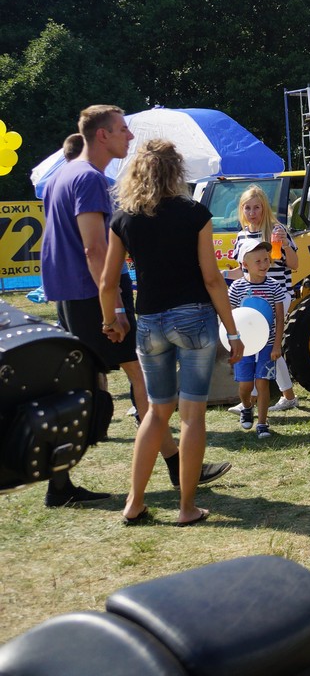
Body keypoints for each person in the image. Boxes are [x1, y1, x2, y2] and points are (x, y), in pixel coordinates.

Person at [40, 106, 230, 508]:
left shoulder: (62, 175)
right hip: (99, 298)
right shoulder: (91, 179)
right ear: (102, 135)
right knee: (151, 395)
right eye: (123, 129)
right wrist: (116, 313)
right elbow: (95, 252)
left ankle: (76, 484)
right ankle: (180, 479)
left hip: (78, 297)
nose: (129, 136)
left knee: (93, 389)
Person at [100, 138, 244, 526]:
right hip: (194, 318)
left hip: (149, 323)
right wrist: (233, 332)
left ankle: (133, 503)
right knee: (193, 416)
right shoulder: (195, 212)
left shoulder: (123, 218)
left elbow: (107, 283)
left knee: (156, 413)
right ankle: (185, 508)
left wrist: (111, 321)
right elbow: (213, 279)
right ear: (176, 171)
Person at [226, 185, 301, 414]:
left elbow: (295, 265)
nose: (252, 212)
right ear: (241, 210)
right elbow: (243, 272)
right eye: (247, 208)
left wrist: (285, 245)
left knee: (265, 343)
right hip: (252, 298)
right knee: (260, 344)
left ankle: (257, 398)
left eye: (256, 207)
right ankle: (284, 396)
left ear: (264, 208)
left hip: (277, 294)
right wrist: (220, 276)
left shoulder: (276, 230)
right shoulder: (241, 236)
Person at [227, 240, 287, 439]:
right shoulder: (236, 288)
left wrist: (276, 345)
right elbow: (231, 317)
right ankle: (246, 406)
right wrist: (232, 342)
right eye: (258, 261)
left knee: (262, 383)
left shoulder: (274, 287)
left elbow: (279, 318)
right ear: (245, 264)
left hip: (267, 344)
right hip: (245, 345)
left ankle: (262, 423)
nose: (263, 265)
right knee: (245, 385)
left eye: (266, 260)